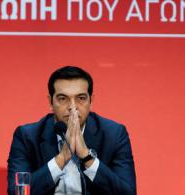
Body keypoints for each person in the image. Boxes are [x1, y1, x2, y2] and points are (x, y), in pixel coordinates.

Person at [7, 66, 136, 195]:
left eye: (81, 98)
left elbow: (128, 193)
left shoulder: (114, 135)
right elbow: (19, 192)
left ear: (91, 102)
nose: (72, 107)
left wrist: (87, 157)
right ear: (50, 102)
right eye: (63, 98)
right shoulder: (27, 137)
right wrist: (61, 158)